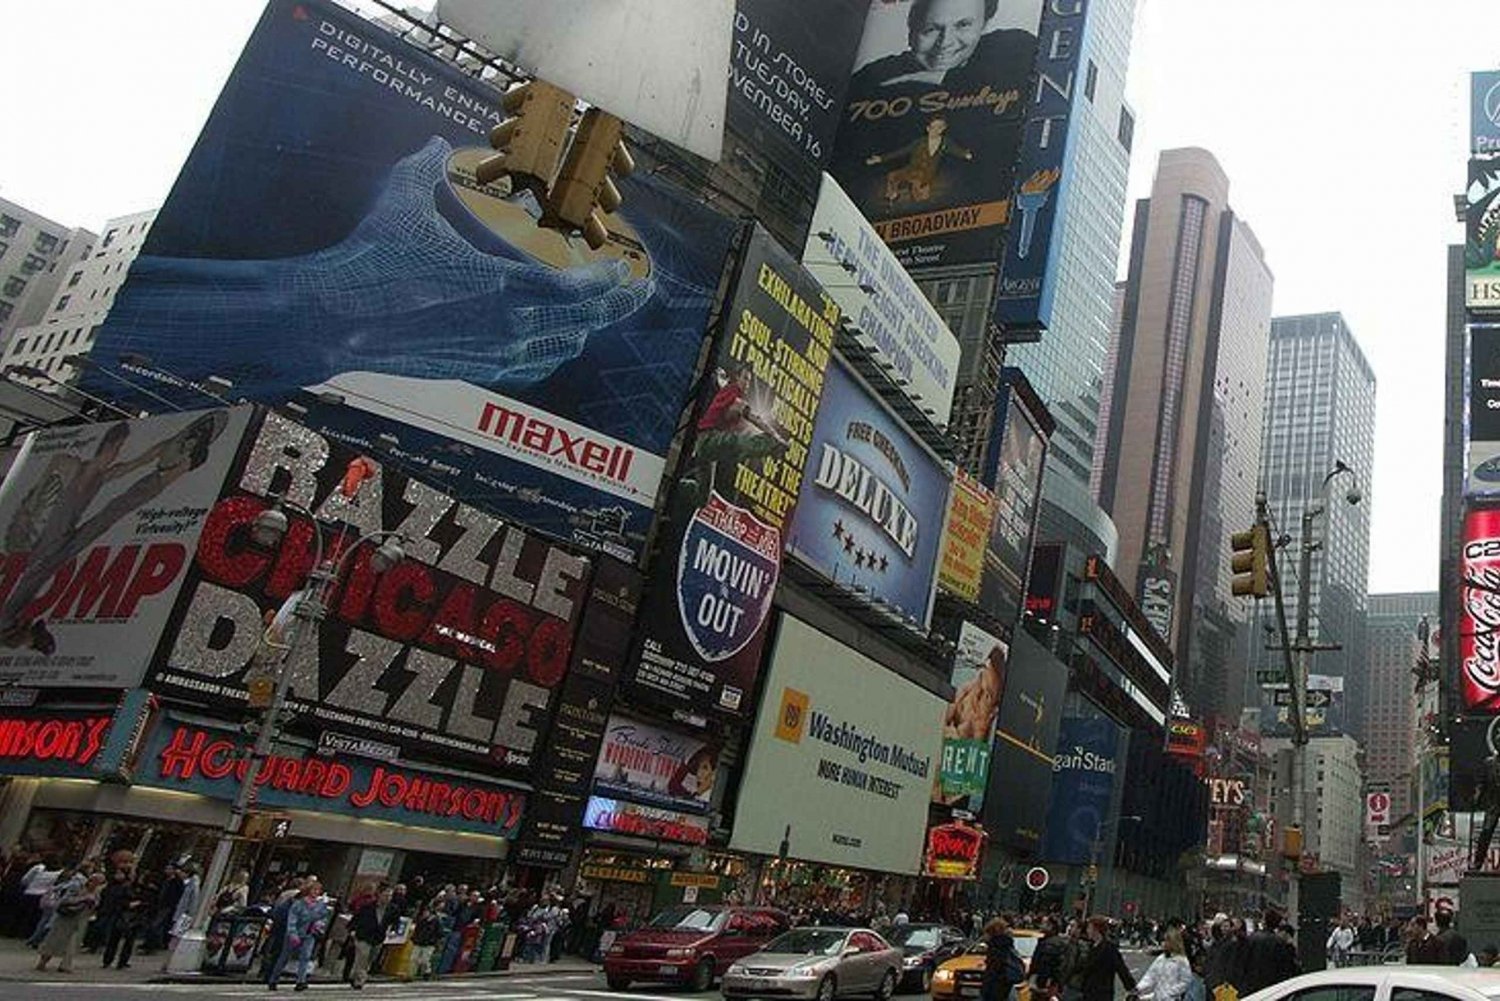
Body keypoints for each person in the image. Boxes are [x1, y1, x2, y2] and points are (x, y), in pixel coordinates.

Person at [269, 878, 329, 991]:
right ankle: (274, 979)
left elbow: (323, 917)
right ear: (308, 890)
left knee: (305, 957)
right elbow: (292, 919)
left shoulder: (319, 904)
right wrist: (292, 933)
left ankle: (301, 981)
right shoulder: (298, 904)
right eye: (314, 890)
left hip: (309, 934)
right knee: (284, 957)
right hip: (295, 933)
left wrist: (319, 925)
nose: (316, 892)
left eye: (318, 890)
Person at [36, 872, 104, 973]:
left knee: (73, 943)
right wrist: (83, 899)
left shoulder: (96, 892)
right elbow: (64, 901)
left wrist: (93, 904)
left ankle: (65, 965)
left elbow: (96, 904)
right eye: (94, 881)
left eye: (99, 883)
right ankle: (42, 962)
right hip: (66, 918)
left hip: (81, 920)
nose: (95, 885)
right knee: (54, 941)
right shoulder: (77, 887)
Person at [1239, 912, 1298, 995]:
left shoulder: (1252, 938)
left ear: (1265, 922)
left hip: (1251, 986)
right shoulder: (1279, 943)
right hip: (1271, 988)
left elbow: (1243, 962)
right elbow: (1285, 967)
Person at [350, 884, 396, 989]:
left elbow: (394, 922)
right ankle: (359, 980)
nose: (388, 898)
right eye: (385, 895)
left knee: (370, 959)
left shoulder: (392, 909)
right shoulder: (368, 906)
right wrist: (352, 929)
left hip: (378, 937)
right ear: (379, 895)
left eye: (390, 896)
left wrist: (392, 930)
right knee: (362, 957)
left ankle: (356, 974)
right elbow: (357, 918)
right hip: (363, 935)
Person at [1078, 916, 1135, 1001]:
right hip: (1088, 992)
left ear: (1096, 929)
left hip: (1102, 993)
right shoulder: (1090, 947)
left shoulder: (1109, 948)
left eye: (1089, 928)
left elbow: (1121, 968)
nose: (1087, 931)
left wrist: (1131, 987)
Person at [101, 872, 146, 970]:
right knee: (123, 940)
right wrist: (131, 904)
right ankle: (119, 961)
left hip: (125, 915)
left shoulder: (118, 887)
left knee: (116, 940)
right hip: (126, 915)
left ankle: (111, 961)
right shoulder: (126, 888)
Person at [1137, 928, 1194, 1001]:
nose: (1164, 943)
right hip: (1158, 998)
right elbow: (1150, 976)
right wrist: (1138, 988)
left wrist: (1170, 993)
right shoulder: (1161, 958)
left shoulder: (1182, 960)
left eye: (1167, 941)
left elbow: (1185, 981)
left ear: (1174, 942)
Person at [980, 916, 1022, 1001]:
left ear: (993, 933)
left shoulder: (996, 948)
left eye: (987, 933)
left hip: (996, 989)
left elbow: (995, 971)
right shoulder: (1006, 945)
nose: (984, 936)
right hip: (1006, 987)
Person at [1030, 916, 1067, 998]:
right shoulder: (1051, 941)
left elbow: (1045, 965)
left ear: (1051, 926)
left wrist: (1041, 983)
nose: (1041, 925)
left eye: (1044, 923)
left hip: (1043, 984)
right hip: (1048, 983)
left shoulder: (1050, 944)